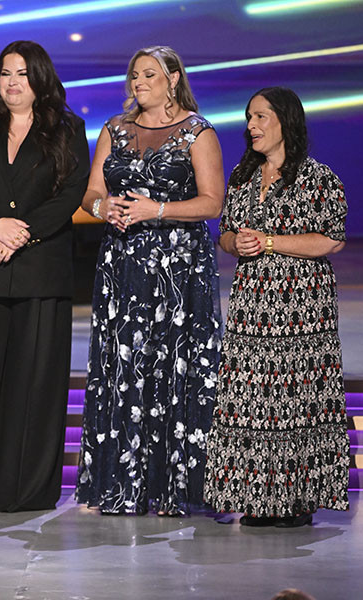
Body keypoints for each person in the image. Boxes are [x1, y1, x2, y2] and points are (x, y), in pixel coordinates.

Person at [0, 40, 90, 512]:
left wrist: (20, 232)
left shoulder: (68, 128)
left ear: (40, 78)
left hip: (40, 269)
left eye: (22, 73)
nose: (12, 82)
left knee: (35, 383)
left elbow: (71, 192)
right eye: (5, 73)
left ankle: (25, 490)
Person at [76, 46, 224, 516]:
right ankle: (124, 485)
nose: (138, 83)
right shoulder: (114, 129)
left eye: (148, 75)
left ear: (173, 79)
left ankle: (172, 487)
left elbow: (212, 202)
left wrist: (156, 210)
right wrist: (104, 207)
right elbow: (91, 192)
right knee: (126, 364)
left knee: (172, 364)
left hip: (178, 268)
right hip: (123, 264)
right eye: (134, 76)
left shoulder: (197, 132)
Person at [203, 87, 349, 527]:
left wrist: (269, 242)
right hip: (252, 307)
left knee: (296, 401)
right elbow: (224, 234)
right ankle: (258, 499)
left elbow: (331, 239)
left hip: (301, 308)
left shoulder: (317, 177)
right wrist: (237, 242)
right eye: (249, 117)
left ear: (285, 120)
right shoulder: (243, 176)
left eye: (261, 117)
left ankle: (297, 501)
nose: (251, 125)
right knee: (252, 401)